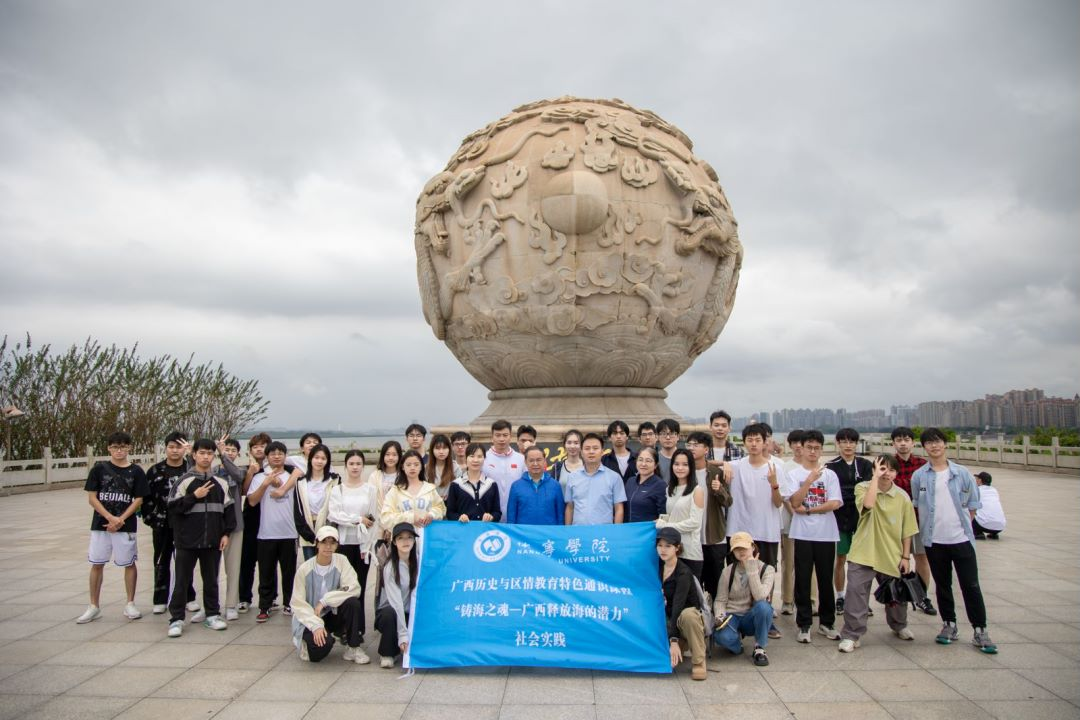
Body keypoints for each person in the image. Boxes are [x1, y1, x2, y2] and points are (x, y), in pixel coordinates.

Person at [911, 428, 997, 653]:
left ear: (945, 444)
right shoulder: (919, 476)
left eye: (938, 441)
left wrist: (962, 528)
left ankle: (980, 630)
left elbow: (973, 506)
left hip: (961, 540)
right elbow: (917, 506)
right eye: (929, 443)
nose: (934, 446)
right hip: (934, 541)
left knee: (971, 585)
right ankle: (949, 625)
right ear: (924, 447)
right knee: (943, 585)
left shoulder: (962, 473)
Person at [838, 455, 919, 652]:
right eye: (882, 468)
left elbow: (907, 529)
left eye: (891, 470)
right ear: (874, 470)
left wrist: (906, 556)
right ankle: (852, 634)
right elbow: (868, 505)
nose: (886, 473)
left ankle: (899, 625)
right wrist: (874, 478)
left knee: (896, 594)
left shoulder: (902, 496)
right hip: (864, 552)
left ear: (896, 473)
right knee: (856, 593)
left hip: (891, 553)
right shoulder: (863, 487)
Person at [165, 438, 235, 638]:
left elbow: (229, 511)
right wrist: (194, 496)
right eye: (202, 453)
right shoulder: (184, 481)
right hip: (186, 540)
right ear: (193, 455)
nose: (206, 457)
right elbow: (172, 507)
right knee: (182, 581)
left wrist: (226, 534)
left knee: (211, 580)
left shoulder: (221, 483)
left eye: (210, 453)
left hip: (212, 540)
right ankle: (176, 619)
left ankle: (212, 615)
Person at [77, 431, 149, 624]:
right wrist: (110, 517)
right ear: (109, 448)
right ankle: (93, 605)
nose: (119, 451)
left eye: (123, 447)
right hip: (101, 524)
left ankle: (130, 603)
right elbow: (92, 498)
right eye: (115, 447)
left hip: (126, 525)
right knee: (97, 563)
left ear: (129, 448)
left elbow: (139, 499)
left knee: (129, 563)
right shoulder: (99, 469)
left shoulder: (136, 471)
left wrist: (120, 519)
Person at [783, 430, 843, 643]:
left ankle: (827, 622)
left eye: (817, 448)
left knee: (825, 579)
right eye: (809, 447)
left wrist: (809, 510)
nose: (812, 451)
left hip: (826, 534)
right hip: (802, 534)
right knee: (802, 578)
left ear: (822, 450)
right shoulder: (794, 475)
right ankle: (804, 624)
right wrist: (808, 481)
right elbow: (795, 502)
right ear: (802, 448)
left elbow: (834, 503)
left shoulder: (830, 475)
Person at [290, 526, 368, 663]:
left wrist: (325, 601)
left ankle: (353, 648)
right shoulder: (304, 570)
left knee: (352, 603)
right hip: (310, 617)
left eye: (332, 542)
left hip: (331, 613)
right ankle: (307, 642)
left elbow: (353, 588)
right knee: (320, 649)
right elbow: (298, 604)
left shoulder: (341, 561)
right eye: (324, 542)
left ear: (337, 545)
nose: (328, 546)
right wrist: (316, 625)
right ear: (317, 544)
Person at [142, 431, 196, 616]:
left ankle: (188, 597)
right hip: (162, 524)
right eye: (171, 447)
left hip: (186, 523)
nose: (174, 451)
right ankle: (160, 599)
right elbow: (146, 499)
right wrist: (152, 519)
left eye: (178, 447)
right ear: (165, 448)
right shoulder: (155, 471)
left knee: (185, 562)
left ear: (185, 448)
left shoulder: (190, 469)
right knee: (161, 561)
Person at [327, 449, 377, 641]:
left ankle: (358, 629)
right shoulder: (337, 490)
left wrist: (368, 546)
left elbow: (373, 519)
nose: (355, 467)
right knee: (343, 586)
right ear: (346, 466)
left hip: (362, 546)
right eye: (351, 464)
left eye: (358, 464)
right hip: (343, 543)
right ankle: (343, 627)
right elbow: (335, 515)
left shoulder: (370, 490)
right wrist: (357, 519)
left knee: (360, 586)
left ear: (363, 466)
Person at [247, 441, 299, 622]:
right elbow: (252, 501)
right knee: (266, 572)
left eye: (280, 453)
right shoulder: (259, 477)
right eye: (273, 453)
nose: (277, 456)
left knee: (289, 572)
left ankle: (289, 603)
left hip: (289, 533)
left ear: (285, 456)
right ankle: (265, 606)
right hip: (266, 533)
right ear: (267, 457)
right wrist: (265, 483)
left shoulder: (293, 476)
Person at [826, 428, 874, 614]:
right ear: (838, 443)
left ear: (856, 444)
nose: (848, 445)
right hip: (838, 519)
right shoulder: (831, 466)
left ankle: (860, 599)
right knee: (840, 558)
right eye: (844, 442)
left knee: (861, 562)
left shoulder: (865, 465)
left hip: (861, 519)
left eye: (852, 442)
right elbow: (832, 493)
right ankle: (840, 596)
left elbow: (869, 490)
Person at [721, 423, 783, 569]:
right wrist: (723, 463)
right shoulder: (734, 466)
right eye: (750, 440)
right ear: (744, 443)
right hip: (738, 531)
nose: (754, 444)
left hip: (766, 532)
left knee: (765, 575)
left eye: (758, 440)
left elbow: (778, 503)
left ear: (765, 443)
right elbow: (701, 463)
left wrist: (774, 484)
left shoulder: (775, 468)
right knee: (737, 576)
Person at [891, 426, 936, 615]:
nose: (903, 443)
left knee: (921, 558)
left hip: (919, 519)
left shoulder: (922, 465)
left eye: (906, 440)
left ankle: (922, 597)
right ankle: (895, 597)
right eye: (899, 440)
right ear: (893, 443)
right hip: (894, 520)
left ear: (913, 443)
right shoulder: (888, 464)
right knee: (894, 560)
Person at [712, 532, 776, 667]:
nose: (741, 551)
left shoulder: (767, 569)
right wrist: (720, 616)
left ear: (752, 547)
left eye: (744, 547)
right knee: (721, 637)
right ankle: (737, 644)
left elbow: (760, 596)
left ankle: (759, 647)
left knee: (764, 607)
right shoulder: (728, 571)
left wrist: (752, 569)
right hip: (732, 615)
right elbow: (720, 600)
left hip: (752, 615)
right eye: (737, 549)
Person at [657, 526, 707, 681]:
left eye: (668, 546)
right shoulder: (658, 567)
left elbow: (678, 606)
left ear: (677, 548)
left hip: (684, 621)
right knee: (661, 662)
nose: (663, 550)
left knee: (688, 615)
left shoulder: (683, 572)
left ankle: (699, 660)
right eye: (660, 545)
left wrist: (673, 640)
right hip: (665, 619)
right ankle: (681, 644)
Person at [686, 431, 731, 598]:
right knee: (693, 583)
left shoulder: (715, 472)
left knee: (715, 584)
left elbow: (728, 502)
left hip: (714, 537)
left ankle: (716, 611)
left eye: (696, 445)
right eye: (689, 444)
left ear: (706, 449)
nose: (692, 448)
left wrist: (719, 490)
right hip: (691, 538)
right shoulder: (684, 472)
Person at [380, 450, 446, 550]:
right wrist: (410, 518)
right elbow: (385, 518)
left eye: (416, 464)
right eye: (408, 465)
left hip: (428, 540)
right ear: (402, 467)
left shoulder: (430, 488)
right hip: (403, 543)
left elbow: (441, 508)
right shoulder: (395, 491)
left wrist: (432, 514)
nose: (412, 468)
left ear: (421, 466)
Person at [656, 448, 704, 577]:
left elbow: (694, 522)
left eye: (685, 464)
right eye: (676, 464)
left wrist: (666, 526)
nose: (680, 468)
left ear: (691, 467)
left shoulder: (697, 491)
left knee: (690, 589)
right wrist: (661, 521)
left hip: (690, 552)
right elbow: (672, 515)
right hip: (672, 550)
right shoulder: (669, 489)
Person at [375, 522, 418, 668]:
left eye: (409, 537)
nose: (406, 541)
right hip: (391, 612)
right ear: (394, 542)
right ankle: (386, 653)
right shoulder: (390, 567)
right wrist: (403, 635)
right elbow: (396, 603)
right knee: (389, 614)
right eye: (400, 538)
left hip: (410, 612)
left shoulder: (419, 561)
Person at [238, 432, 271, 613]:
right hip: (251, 516)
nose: (259, 449)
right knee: (247, 559)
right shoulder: (246, 468)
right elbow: (244, 491)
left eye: (262, 446)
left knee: (269, 560)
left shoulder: (275, 467)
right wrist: (250, 473)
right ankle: (244, 597)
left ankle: (270, 597)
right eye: (255, 447)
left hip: (270, 516)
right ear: (250, 450)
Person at [214, 436, 246, 621]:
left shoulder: (240, 471)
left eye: (233, 450)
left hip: (234, 525)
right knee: (211, 568)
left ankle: (231, 604)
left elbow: (238, 476)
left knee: (233, 568)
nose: (229, 453)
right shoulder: (212, 471)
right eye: (227, 449)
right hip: (213, 524)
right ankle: (211, 605)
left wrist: (222, 455)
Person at [564, 433, 627, 526]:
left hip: (604, 532)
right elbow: (570, 507)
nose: (591, 452)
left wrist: (615, 532)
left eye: (595, 448)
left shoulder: (614, 477)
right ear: (581, 452)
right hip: (578, 531)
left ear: (602, 452)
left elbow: (619, 508)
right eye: (587, 448)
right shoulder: (572, 477)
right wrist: (568, 530)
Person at [291, 444, 340, 561]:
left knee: (329, 565)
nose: (319, 461)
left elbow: (337, 507)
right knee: (311, 567)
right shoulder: (300, 482)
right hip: (308, 530)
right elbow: (298, 510)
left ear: (327, 461)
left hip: (328, 530)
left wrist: (328, 532)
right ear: (310, 459)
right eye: (316, 457)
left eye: (323, 458)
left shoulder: (334, 480)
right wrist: (309, 535)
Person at [778, 429, 806, 616]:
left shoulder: (815, 467)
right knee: (788, 563)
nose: (797, 446)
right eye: (794, 442)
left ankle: (811, 599)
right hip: (789, 522)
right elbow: (784, 495)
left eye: (801, 443)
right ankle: (787, 600)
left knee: (810, 565)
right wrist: (795, 512)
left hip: (810, 524)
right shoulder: (785, 467)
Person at [506, 446, 565, 525]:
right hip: (524, 532)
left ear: (544, 461)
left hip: (548, 532)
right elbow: (511, 517)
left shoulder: (555, 486)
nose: (535, 464)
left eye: (539, 460)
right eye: (531, 460)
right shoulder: (516, 486)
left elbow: (560, 516)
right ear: (525, 462)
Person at [446, 442, 501, 522]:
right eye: (472, 456)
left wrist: (491, 517)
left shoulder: (491, 484)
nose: (475, 460)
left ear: (484, 459)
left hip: (485, 529)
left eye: (479, 456)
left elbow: (497, 512)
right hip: (463, 528)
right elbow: (450, 513)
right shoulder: (456, 484)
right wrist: (459, 518)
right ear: (466, 458)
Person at [484, 419, 525, 522]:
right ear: (492, 437)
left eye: (505, 435)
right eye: (497, 435)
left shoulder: (521, 459)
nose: (501, 439)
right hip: (490, 516)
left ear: (510, 436)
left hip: (516, 514)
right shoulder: (484, 458)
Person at [623, 446, 667, 523]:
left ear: (655, 465)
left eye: (648, 461)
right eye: (640, 460)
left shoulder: (660, 485)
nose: (643, 464)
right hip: (629, 528)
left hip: (649, 530)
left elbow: (664, 515)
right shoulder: (630, 481)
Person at [369, 440, 403, 515]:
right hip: (379, 515)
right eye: (387, 454)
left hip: (400, 516)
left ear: (399, 456)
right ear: (383, 456)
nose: (391, 458)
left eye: (394, 455)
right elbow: (370, 499)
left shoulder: (404, 475)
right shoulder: (374, 476)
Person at [972, 472, 1005, 539]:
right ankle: (994, 534)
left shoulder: (976, 490)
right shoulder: (994, 490)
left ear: (980, 480)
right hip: (1000, 526)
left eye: (977, 479)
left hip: (982, 525)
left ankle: (978, 533)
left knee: (968, 510)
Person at [426, 434, 455, 502]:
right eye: (437, 448)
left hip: (451, 504)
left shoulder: (455, 467)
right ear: (432, 450)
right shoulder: (426, 468)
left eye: (444, 448)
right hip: (432, 504)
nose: (441, 452)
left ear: (449, 449)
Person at [656, 418, 681, 483]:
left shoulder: (685, 457)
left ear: (678, 436)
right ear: (658, 436)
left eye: (672, 433)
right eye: (663, 434)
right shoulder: (653, 458)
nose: (668, 437)